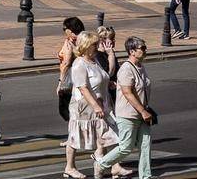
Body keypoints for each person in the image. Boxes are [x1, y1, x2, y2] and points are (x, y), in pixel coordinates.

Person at [95, 37, 154, 179]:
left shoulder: (140, 66)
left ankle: (146, 176)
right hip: (128, 115)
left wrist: (145, 110)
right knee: (126, 147)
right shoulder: (126, 69)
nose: (145, 51)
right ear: (132, 51)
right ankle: (102, 164)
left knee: (145, 146)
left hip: (143, 113)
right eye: (143, 48)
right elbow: (128, 93)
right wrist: (143, 111)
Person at [63, 32, 120, 179]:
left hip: (101, 104)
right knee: (75, 137)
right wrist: (95, 106)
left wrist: (109, 83)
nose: (97, 47)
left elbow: (102, 76)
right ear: (86, 46)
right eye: (94, 44)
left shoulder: (94, 60)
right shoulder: (79, 64)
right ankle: (70, 167)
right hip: (84, 107)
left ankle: (101, 162)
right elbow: (83, 88)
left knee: (106, 134)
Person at [57, 17, 85, 123]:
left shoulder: (70, 44)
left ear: (70, 30)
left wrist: (60, 82)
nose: (64, 31)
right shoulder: (84, 39)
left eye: (64, 28)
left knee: (66, 110)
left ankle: (74, 134)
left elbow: (66, 64)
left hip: (70, 80)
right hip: (81, 78)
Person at [97, 26, 120, 108]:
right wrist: (110, 54)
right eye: (112, 38)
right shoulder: (98, 55)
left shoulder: (108, 52)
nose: (114, 41)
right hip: (105, 96)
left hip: (113, 92)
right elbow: (109, 73)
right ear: (102, 40)